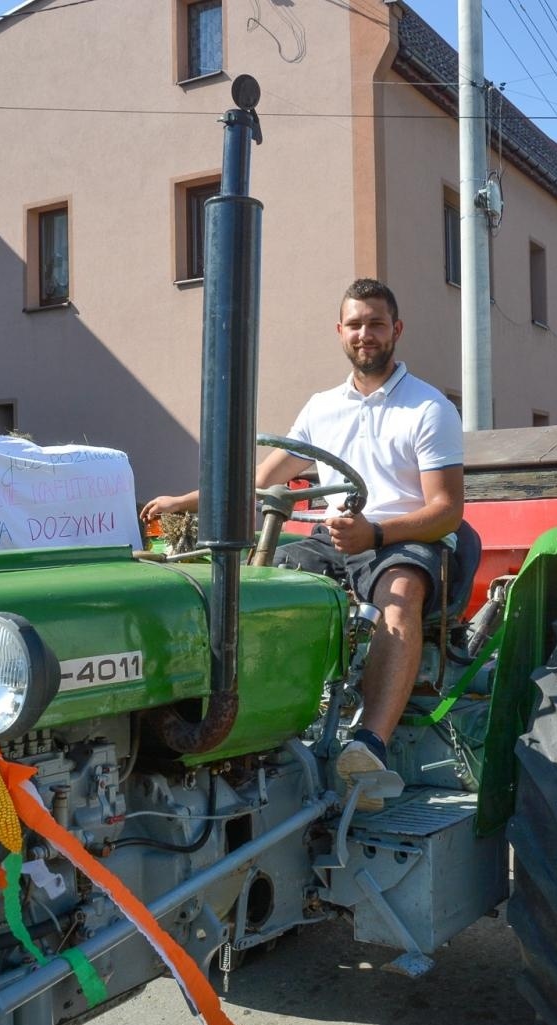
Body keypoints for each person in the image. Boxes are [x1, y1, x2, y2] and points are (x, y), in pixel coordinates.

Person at [142, 278, 464, 810]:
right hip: (334, 538)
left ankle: (368, 746)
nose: (365, 334)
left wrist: (377, 533)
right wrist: (184, 500)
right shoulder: (321, 408)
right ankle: (257, 727)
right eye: (355, 324)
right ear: (340, 331)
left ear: (396, 330)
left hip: (404, 539)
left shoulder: (429, 409)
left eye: (376, 323)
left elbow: (446, 509)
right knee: (263, 584)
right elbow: (261, 482)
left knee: (400, 594)